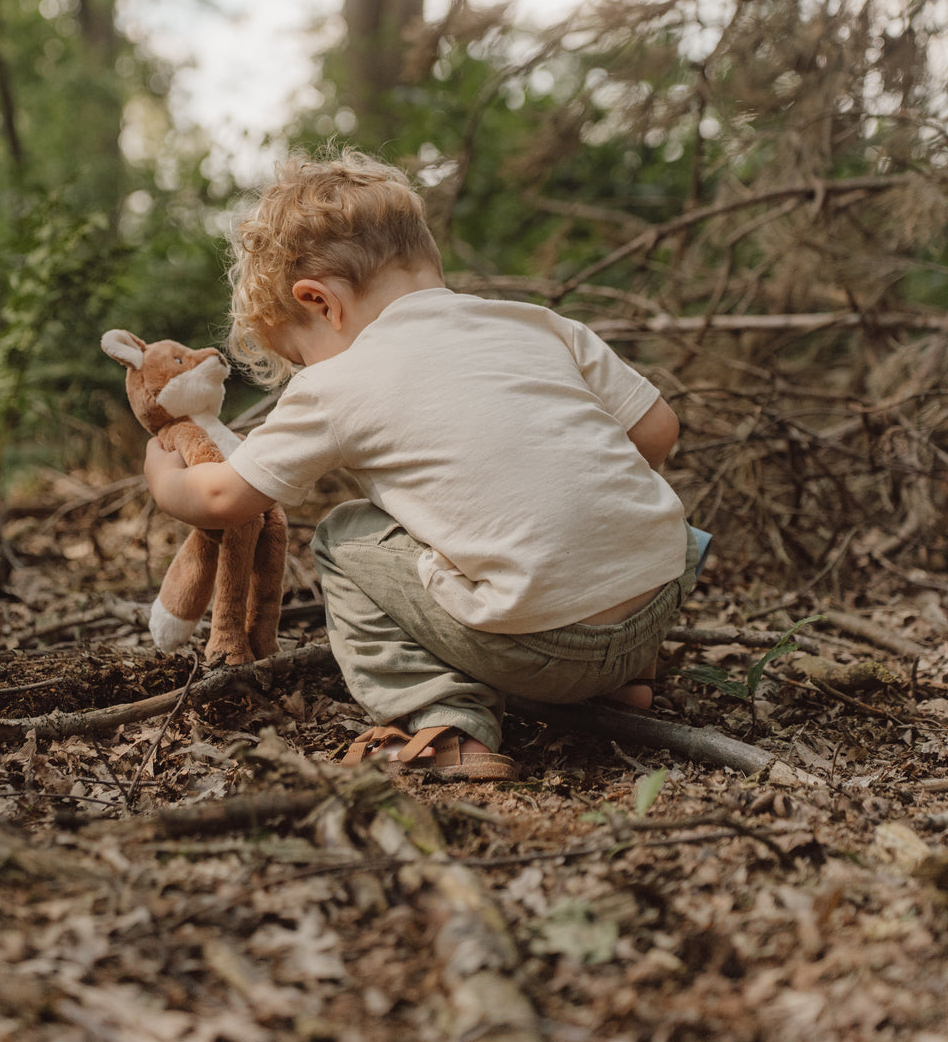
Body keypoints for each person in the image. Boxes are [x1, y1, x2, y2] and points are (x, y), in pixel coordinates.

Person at [143, 148, 701, 781]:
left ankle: (446, 723)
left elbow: (225, 500)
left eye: (302, 355)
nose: (309, 371)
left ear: (321, 303)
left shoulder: (341, 382)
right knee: (641, 510)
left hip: (542, 648)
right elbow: (659, 431)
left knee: (343, 533)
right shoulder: (537, 324)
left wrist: (164, 473)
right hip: (657, 603)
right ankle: (626, 684)